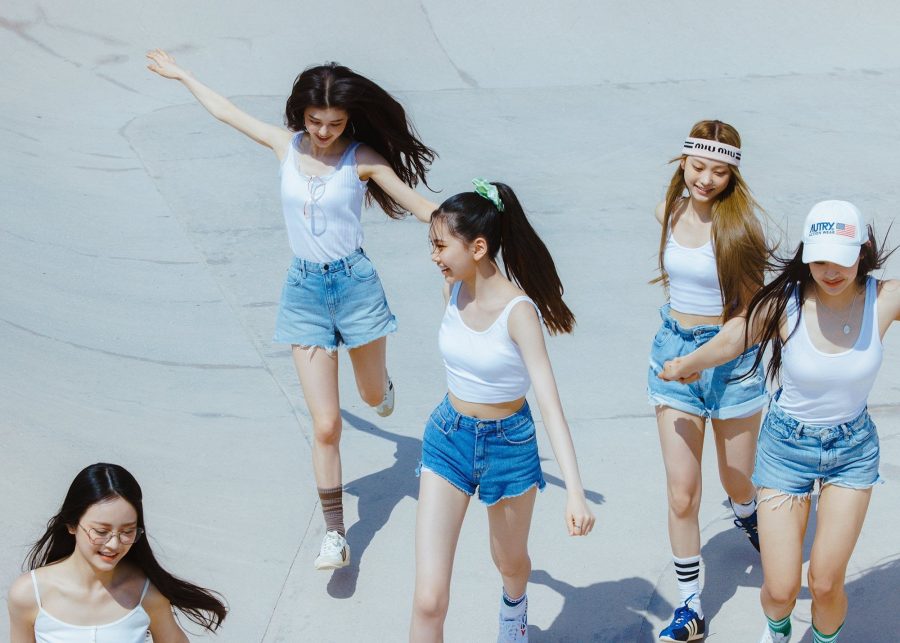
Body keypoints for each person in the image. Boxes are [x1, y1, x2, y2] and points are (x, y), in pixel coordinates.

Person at [146, 50, 438, 570]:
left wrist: (480, 221)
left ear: (349, 120)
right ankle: (335, 535)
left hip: (356, 288)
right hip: (304, 293)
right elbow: (228, 113)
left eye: (335, 123)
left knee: (373, 397)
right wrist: (185, 75)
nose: (323, 132)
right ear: (301, 114)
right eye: (314, 121)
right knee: (326, 425)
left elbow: (421, 207)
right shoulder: (285, 145)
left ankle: (383, 386)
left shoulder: (362, 158)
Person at [661, 200, 894, 643]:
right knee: (780, 590)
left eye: (841, 260)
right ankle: (778, 627)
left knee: (825, 583)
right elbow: (736, 334)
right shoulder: (785, 303)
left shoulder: (883, 298)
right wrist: (690, 362)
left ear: (862, 253)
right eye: (819, 260)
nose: (830, 271)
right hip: (786, 449)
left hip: (852, 452)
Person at [409, 180, 595, 643]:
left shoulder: (519, 313)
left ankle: (514, 610)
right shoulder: (452, 286)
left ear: (477, 248)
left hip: (509, 446)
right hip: (448, 438)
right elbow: (423, 208)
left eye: (440, 246)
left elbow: (550, 405)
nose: (433, 256)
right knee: (429, 600)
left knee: (510, 563)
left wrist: (575, 492)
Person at [647, 120, 771, 641]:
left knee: (737, 479)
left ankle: (748, 513)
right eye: (698, 167)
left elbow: (749, 321)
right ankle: (690, 606)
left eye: (719, 172)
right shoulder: (667, 212)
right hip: (673, 353)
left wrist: (698, 360)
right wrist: (682, 361)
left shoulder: (740, 231)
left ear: (733, 175)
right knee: (682, 493)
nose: (706, 179)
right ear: (683, 162)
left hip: (729, 362)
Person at [7, 463, 226, 642]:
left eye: (127, 531)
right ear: (72, 525)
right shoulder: (29, 593)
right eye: (101, 531)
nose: (114, 544)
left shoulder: (146, 593)